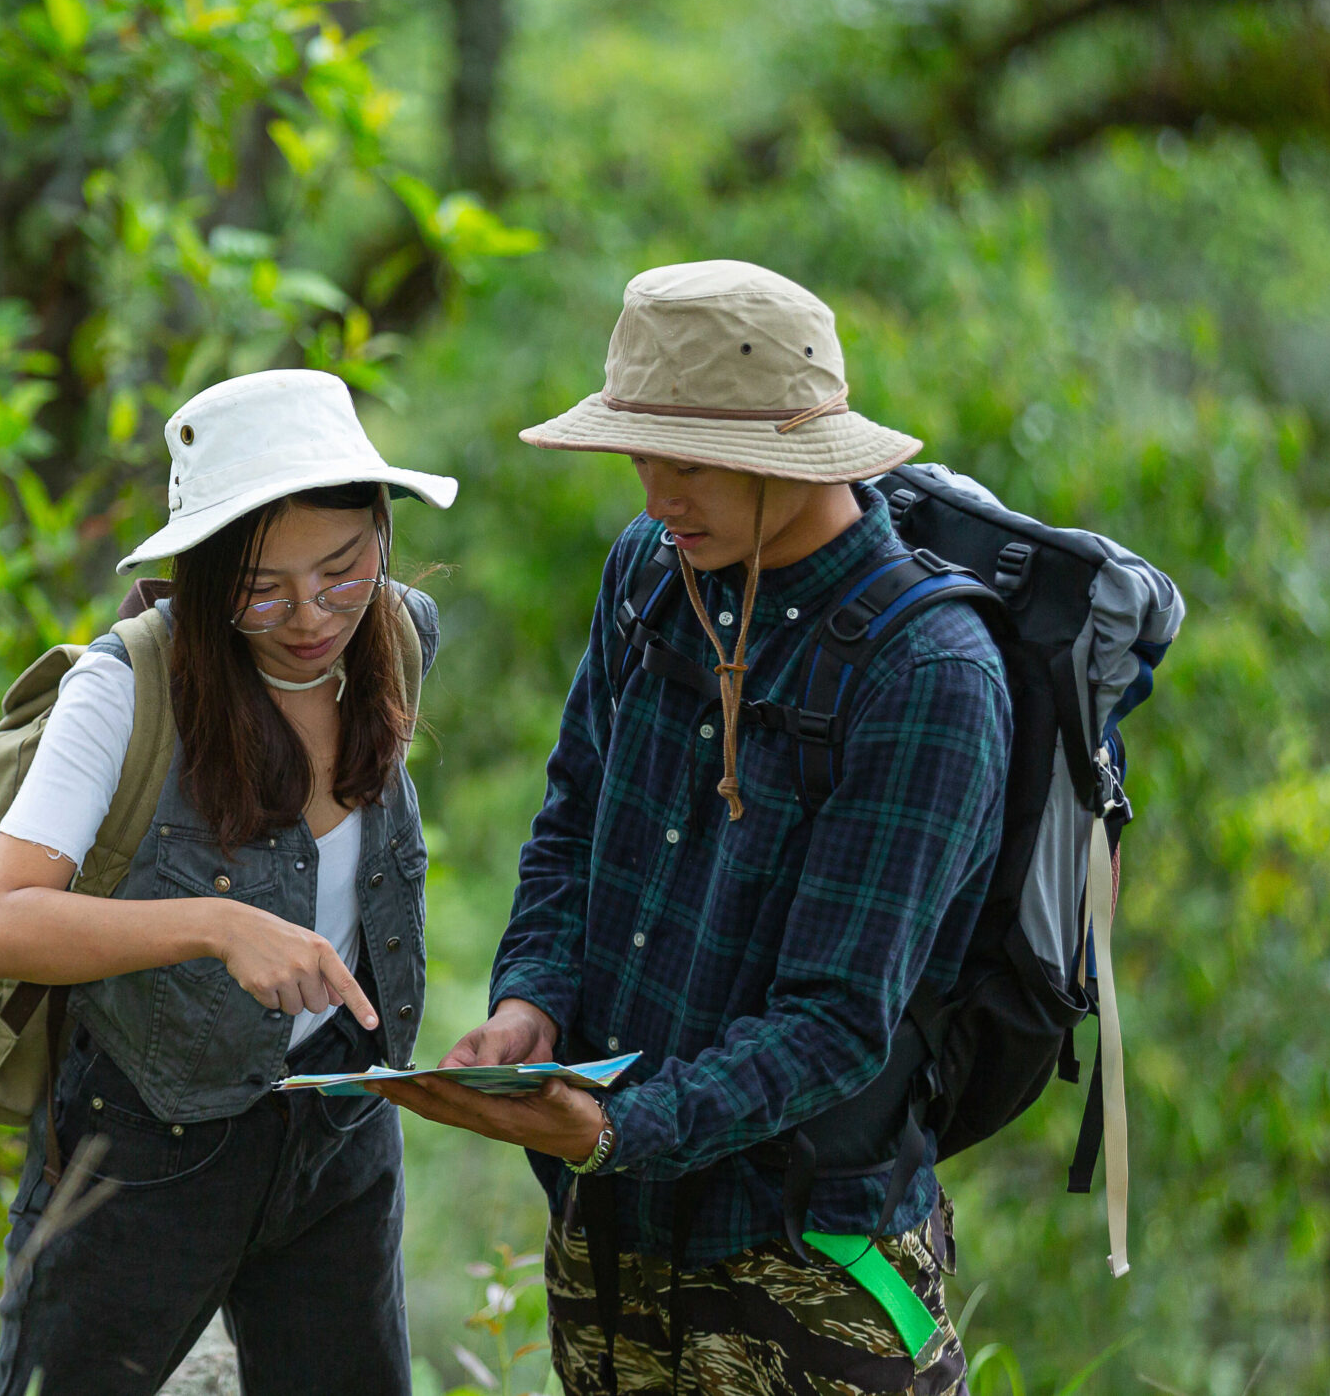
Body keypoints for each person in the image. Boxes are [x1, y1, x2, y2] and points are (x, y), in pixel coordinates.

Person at [378, 262, 1007, 1395]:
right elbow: (571, 823)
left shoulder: (929, 677)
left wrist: (621, 1128)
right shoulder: (648, 575)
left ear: (790, 450)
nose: (657, 493)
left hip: (806, 1258)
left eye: (691, 461)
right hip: (612, 1235)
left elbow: (834, 1021)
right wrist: (532, 1002)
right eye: (640, 454)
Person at [0, 367, 453, 1396]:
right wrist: (215, 925)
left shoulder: (399, 634)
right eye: (260, 586)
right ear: (198, 571)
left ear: (380, 531)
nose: (311, 614)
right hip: (147, 1141)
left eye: (343, 567)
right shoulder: (123, 690)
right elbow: (0, 925)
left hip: (339, 1122)